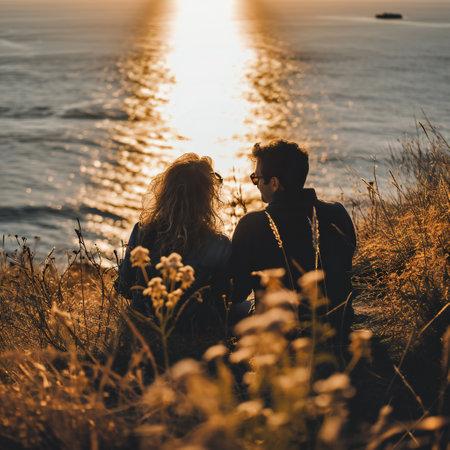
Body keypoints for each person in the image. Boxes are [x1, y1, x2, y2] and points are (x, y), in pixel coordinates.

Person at [230, 139, 356, 341]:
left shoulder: (252, 225)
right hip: (337, 327)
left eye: (257, 178)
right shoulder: (338, 214)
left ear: (274, 183)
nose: (256, 184)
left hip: (279, 334)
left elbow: (236, 293)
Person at [115, 153, 231, 332]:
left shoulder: (143, 232)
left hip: (141, 331)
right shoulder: (219, 244)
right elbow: (226, 298)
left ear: (166, 193)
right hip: (195, 333)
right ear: (208, 198)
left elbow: (124, 287)